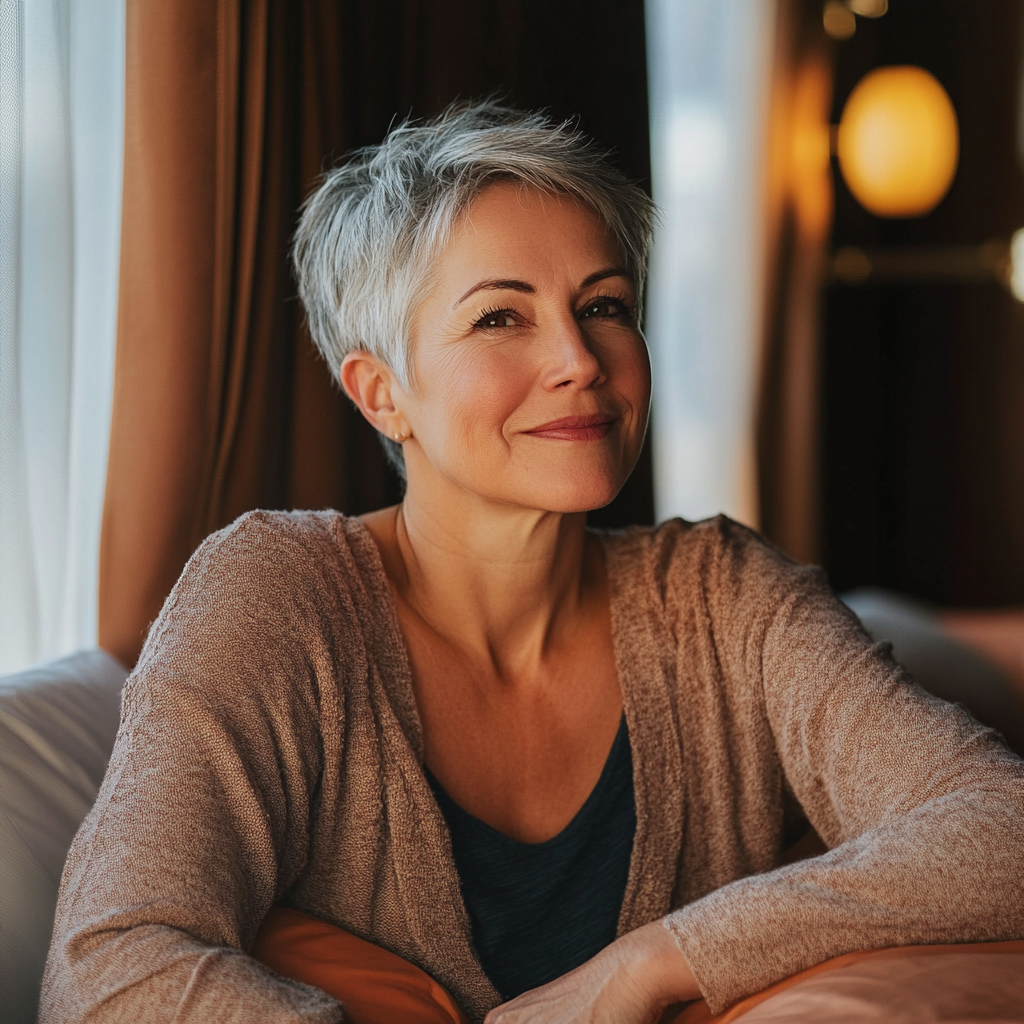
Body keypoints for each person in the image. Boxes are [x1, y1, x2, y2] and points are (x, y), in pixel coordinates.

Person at [41, 102, 1024, 1024]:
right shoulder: (273, 595)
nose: (580, 359)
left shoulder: (724, 593)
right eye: (500, 317)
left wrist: (642, 966)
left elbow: (1001, 830)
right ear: (381, 392)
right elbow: (106, 967)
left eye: (602, 304)